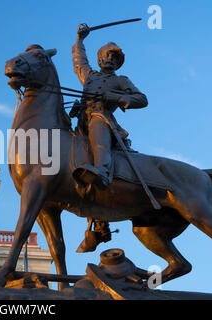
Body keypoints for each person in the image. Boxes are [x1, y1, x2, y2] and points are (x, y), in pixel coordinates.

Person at [71, 24, 148, 252]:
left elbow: (142, 99)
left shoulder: (120, 80)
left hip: (101, 119)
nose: (110, 59)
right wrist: (79, 39)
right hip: (80, 123)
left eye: (114, 58)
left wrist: (113, 96)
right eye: (107, 55)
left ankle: (102, 172)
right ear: (100, 58)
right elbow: (79, 61)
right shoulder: (89, 76)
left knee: (97, 122)